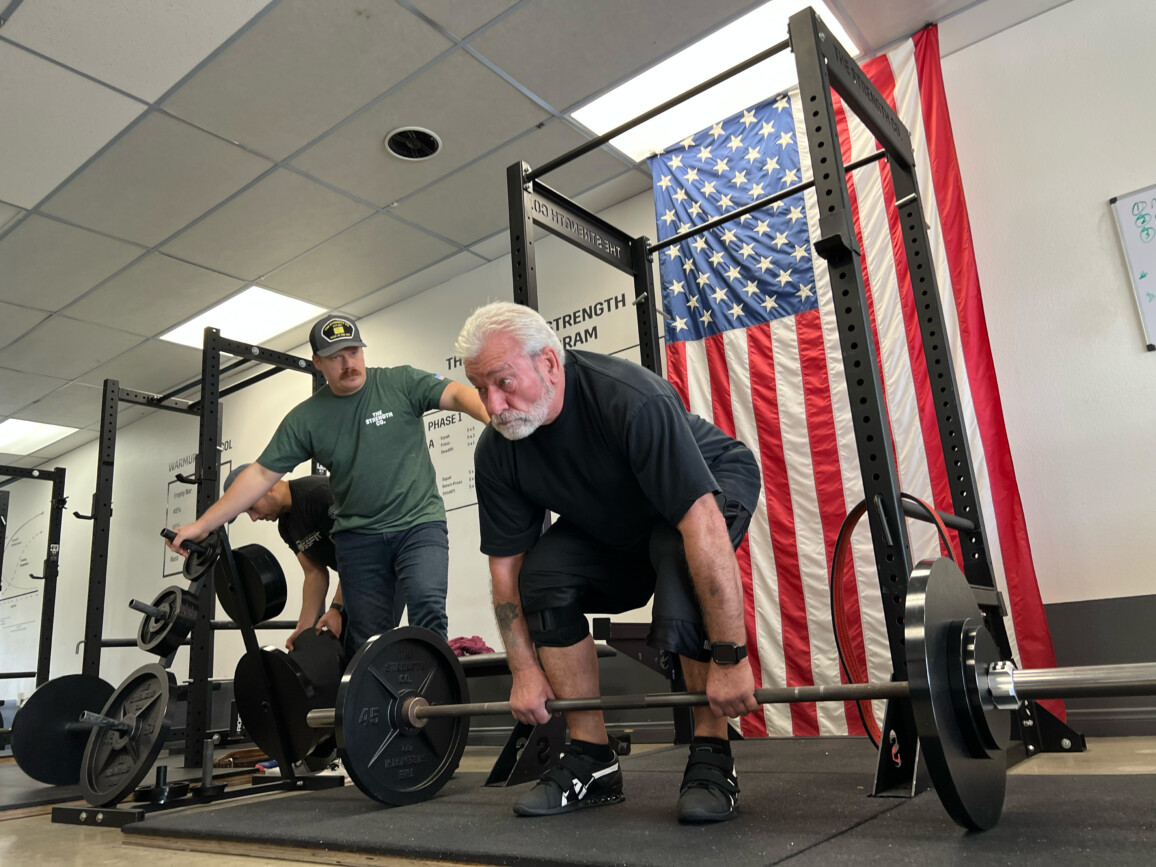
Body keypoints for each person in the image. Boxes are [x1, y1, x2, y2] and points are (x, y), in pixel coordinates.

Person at [455, 301, 761, 824]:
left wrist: (730, 659)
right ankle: (592, 761)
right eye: (481, 389)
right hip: (616, 522)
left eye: (503, 382)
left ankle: (712, 756)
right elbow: (506, 570)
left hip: (703, 493)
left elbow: (701, 527)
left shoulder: (629, 399)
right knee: (544, 573)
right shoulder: (499, 449)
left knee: (676, 552)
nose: (493, 403)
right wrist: (524, 671)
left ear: (549, 363)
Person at [166, 313, 490, 650]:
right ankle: (379, 704)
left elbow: (456, 395)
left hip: (418, 525)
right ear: (318, 362)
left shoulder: (401, 382)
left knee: (428, 610)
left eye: (354, 352)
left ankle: (435, 702)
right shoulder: (306, 419)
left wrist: (494, 419)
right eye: (336, 357)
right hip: (360, 538)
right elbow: (261, 475)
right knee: (367, 640)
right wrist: (203, 524)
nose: (348, 364)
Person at [222, 464, 348, 651]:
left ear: (268, 486)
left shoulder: (319, 495)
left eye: (251, 508)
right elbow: (314, 574)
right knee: (340, 649)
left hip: (383, 568)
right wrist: (303, 629)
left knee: (362, 647)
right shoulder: (286, 527)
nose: (254, 518)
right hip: (357, 577)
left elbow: (358, 557)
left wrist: (336, 608)